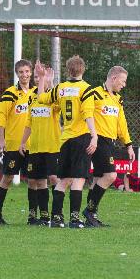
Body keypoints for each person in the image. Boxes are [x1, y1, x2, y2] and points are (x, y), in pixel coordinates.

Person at [34, 56, 98, 228]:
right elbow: (88, 114)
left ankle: (56, 218)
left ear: (68, 70)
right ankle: (75, 219)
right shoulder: (86, 89)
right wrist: (94, 136)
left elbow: (41, 98)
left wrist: (41, 79)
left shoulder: (60, 88)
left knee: (63, 180)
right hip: (81, 137)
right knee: (78, 180)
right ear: (83, 70)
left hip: (64, 139)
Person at [83, 66, 135, 227]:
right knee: (111, 176)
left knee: (98, 178)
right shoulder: (95, 93)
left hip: (110, 141)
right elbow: (86, 114)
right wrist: (92, 136)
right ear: (113, 78)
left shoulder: (117, 99)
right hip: (99, 141)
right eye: (123, 81)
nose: (124, 85)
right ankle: (89, 211)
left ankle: (91, 216)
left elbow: (122, 123)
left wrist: (128, 144)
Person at [0, 59, 36, 225]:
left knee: (33, 180)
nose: (24, 75)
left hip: (33, 145)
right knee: (7, 178)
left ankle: (32, 217)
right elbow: (0, 117)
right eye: (21, 72)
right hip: (14, 144)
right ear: (17, 74)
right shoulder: (10, 93)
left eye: (27, 71)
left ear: (31, 73)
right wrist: (1, 140)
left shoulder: (37, 93)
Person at [19, 63, 60, 225]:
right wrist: (23, 142)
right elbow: (28, 123)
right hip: (35, 147)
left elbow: (54, 100)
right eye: (37, 77)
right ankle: (35, 215)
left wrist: (48, 81)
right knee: (34, 181)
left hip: (52, 147)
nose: (39, 80)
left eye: (41, 77)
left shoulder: (54, 99)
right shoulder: (32, 99)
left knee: (52, 178)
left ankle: (56, 214)